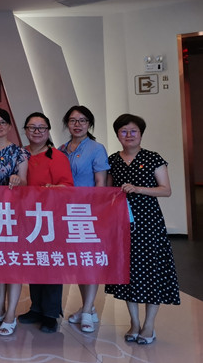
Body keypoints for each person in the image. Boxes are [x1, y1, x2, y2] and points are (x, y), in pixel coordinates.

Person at [104, 114, 180, 345]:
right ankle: (134, 323)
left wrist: (138, 188)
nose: (128, 135)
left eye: (133, 131)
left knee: (151, 272)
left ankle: (149, 325)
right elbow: (107, 192)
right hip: (122, 225)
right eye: (123, 131)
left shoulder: (153, 158)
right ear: (118, 135)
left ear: (141, 134)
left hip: (149, 224)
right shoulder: (112, 160)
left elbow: (165, 190)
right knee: (128, 272)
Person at [17, 112, 73, 333]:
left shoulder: (56, 156)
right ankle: (36, 308)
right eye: (32, 127)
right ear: (25, 130)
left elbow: (67, 187)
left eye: (41, 127)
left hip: (50, 219)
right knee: (34, 263)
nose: (37, 131)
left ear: (48, 131)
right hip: (26, 218)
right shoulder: (21, 154)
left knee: (51, 265)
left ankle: (50, 313)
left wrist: (53, 189)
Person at [59, 106, 110, 333]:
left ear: (89, 124)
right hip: (66, 213)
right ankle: (87, 306)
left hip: (88, 213)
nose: (77, 124)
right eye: (72, 120)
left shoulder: (96, 149)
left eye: (82, 120)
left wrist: (97, 213)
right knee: (79, 262)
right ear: (67, 124)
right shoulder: (61, 149)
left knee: (90, 260)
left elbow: (101, 183)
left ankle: (88, 310)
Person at [0, 108, 28, 336]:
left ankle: (11, 314)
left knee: (13, 263)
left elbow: (25, 181)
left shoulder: (19, 152)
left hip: (12, 214)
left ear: (10, 126)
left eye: (2, 122)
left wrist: (18, 179)